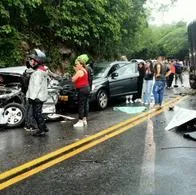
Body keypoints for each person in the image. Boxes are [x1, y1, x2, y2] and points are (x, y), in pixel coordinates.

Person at [26, 49, 49, 136]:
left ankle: (42, 130)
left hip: (37, 97)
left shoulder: (38, 73)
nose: (31, 62)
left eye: (32, 60)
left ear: (37, 61)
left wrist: (31, 98)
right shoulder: (40, 71)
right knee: (38, 113)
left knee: (36, 114)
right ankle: (44, 127)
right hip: (39, 96)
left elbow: (35, 87)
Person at [72, 57, 90, 127]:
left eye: (77, 64)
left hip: (82, 89)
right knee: (85, 104)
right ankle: (84, 120)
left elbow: (73, 80)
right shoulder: (85, 70)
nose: (76, 65)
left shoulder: (79, 71)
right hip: (87, 88)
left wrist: (76, 71)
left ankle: (80, 121)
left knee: (81, 105)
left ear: (81, 65)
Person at [22, 61, 37, 132]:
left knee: (27, 110)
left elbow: (23, 86)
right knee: (32, 110)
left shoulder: (24, 73)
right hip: (32, 94)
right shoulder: (33, 74)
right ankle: (32, 126)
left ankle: (27, 125)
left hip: (26, 94)